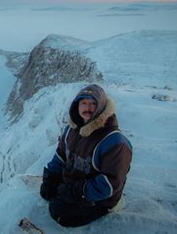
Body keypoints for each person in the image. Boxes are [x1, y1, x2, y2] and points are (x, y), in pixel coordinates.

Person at [40, 84, 132, 227]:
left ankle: (113, 206)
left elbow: (109, 184)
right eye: (83, 103)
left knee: (59, 212)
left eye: (93, 103)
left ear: (102, 107)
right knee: (47, 193)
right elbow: (60, 156)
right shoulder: (71, 130)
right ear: (76, 106)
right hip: (74, 183)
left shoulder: (115, 142)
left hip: (99, 198)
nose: (87, 108)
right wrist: (50, 178)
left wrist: (77, 192)